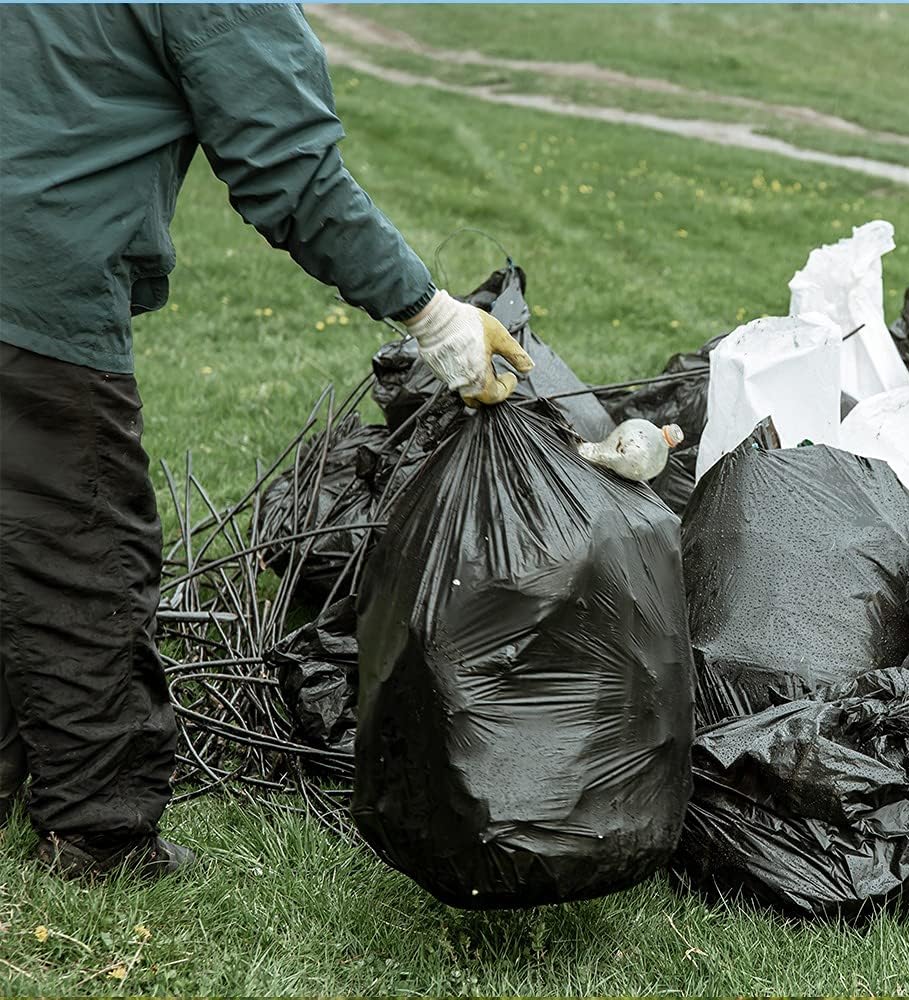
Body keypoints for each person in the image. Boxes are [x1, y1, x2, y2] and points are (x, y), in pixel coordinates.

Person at [0, 3, 534, 879]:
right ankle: (100, 835)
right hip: (31, 280)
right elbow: (287, 167)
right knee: (80, 551)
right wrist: (432, 315)